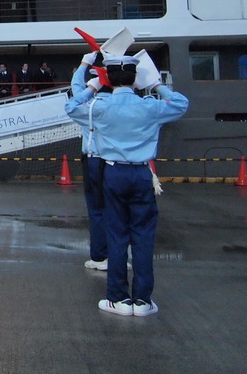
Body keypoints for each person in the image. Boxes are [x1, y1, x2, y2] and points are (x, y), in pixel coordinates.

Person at [64, 55, 188, 317]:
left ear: (108, 78)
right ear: (135, 79)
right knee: (143, 236)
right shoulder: (150, 105)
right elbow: (180, 103)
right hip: (143, 173)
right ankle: (143, 301)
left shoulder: (100, 106)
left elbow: (72, 106)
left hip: (112, 172)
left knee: (117, 235)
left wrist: (93, 86)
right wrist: (156, 85)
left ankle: (117, 298)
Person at [68, 55, 111, 271]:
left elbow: (74, 90)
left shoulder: (88, 105)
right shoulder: (119, 104)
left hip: (94, 160)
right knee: (119, 211)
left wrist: (84, 63)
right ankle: (118, 255)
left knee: (96, 210)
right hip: (119, 161)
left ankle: (99, 256)